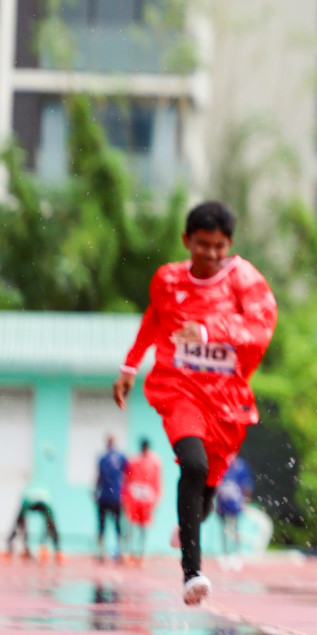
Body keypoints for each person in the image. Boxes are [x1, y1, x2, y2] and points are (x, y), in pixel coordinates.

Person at [113, 201, 278, 606]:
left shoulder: (244, 279)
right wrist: (130, 366)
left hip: (226, 400)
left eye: (219, 247)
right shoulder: (168, 280)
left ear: (230, 245)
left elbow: (261, 327)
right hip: (180, 390)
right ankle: (192, 573)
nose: (211, 254)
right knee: (193, 464)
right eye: (203, 245)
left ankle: (188, 523)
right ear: (187, 241)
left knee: (205, 494)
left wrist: (207, 330)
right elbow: (154, 318)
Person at [121, 438, 163, 565]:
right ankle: (131, 553)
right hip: (134, 497)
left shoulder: (154, 462)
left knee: (144, 527)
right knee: (131, 526)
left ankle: (142, 554)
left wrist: (156, 498)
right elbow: (127, 479)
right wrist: (125, 497)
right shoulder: (133, 460)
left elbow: (157, 481)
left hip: (147, 499)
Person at [6, 486, 62, 563]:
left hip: (41, 502)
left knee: (50, 524)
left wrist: (43, 544)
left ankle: (56, 551)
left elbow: (50, 526)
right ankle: (20, 548)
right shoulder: (26, 502)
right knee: (20, 523)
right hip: (32, 501)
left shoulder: (46, 505)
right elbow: (20, 524)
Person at [94, 435, 127, 563]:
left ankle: (102, 552)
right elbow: (126, 476)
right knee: (116, 525)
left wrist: (96, 491)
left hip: (107, 497)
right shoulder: (121, 458)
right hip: (115, 497)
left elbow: (99, 477)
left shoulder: (102, 459)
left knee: (103, 525)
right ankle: (117, 552)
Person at [216, 456, 253, 555]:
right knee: (224, 527)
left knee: (235, 525)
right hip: (223, 501)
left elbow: (246, 485)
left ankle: (236, 551)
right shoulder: (221, 463)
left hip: (236, 500)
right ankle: (226, 552)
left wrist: (246, 501)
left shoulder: (241, 465)